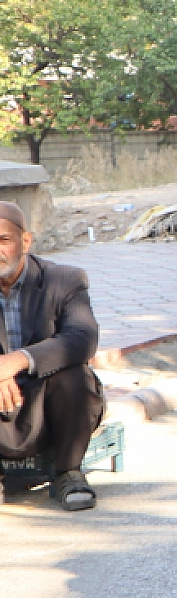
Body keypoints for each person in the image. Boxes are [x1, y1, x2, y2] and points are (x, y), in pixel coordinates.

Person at [0, 203, 103, 511]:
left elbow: (82, 338)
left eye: (3, 240)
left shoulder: (64, 280)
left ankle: (69, 472)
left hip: (47, 405)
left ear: (26, 242)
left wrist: (15, 361)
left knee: (74, 372)